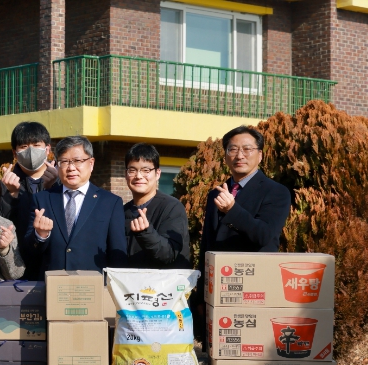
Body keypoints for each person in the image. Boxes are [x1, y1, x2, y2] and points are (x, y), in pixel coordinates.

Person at [194, 126, 291, 345]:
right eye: (233, 149)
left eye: (247, 149)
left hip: (254, 288)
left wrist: (232, 210)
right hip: (218, 289)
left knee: (251, 348)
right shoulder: (216, 193)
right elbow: (207, 244)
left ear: (260, 155)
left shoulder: (276, 192)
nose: (240, 155)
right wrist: (201, 294)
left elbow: (264, 235)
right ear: (225, 156)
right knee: (218, 351)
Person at [23, 135, 127, 275]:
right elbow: (28, 252)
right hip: (52, 283)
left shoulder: (110, 202)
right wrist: (40, 235)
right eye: (64, 162)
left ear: (91, 163)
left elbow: (118, 256)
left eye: (78, 161)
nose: (71, 168)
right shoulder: (42, 199)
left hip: (93, 284)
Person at [0, 121, 59, 279]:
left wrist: (53, 187)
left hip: (54, 266)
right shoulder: (4, 184)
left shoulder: (63, 182)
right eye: (24, 147)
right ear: (15, 153)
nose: (31, 151)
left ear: (47, 149)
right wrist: (11, 195)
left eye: (36, 145)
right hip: (17, 267)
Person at [123, 143, 190, 269]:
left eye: (146, 170)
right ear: (126, 174)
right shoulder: (122, 211)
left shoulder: (172, 208)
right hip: (126, 281)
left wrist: (145, 233)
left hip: (163, 281)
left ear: (157, 173)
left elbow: (169, 253)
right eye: (132, 170)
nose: (138, 176)